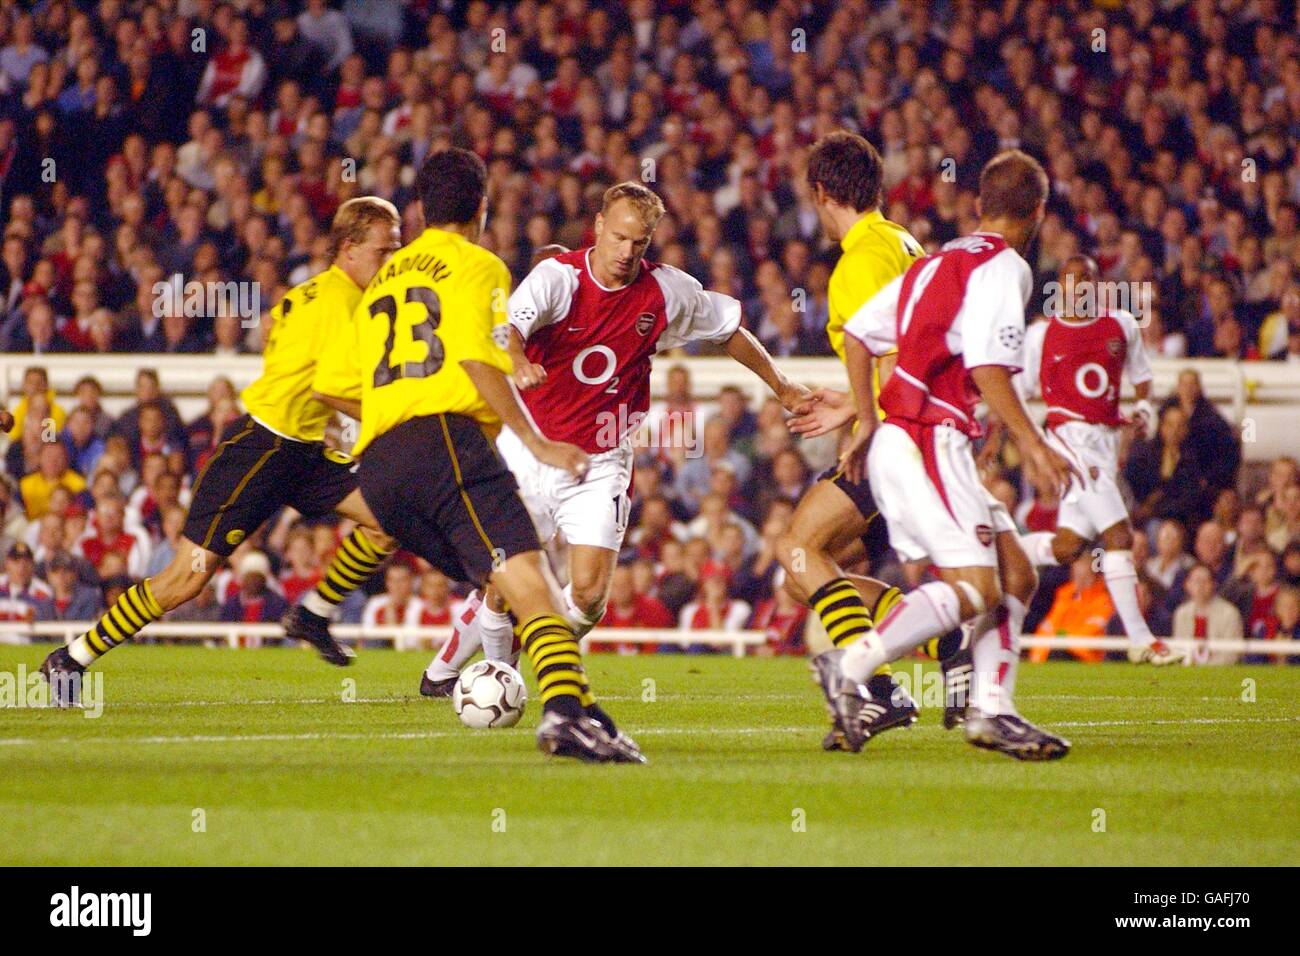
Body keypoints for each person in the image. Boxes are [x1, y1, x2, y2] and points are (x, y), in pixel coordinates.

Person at [314, 149, 642, 762]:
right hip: (446, 443)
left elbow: (334, 381)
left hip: (382, 469)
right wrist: (537, 441)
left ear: (418, 210)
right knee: (537, 589)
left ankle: (576, 707)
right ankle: (566, 717)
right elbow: (477, 360)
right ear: (482, 208)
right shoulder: (478, 265)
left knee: (505, 585)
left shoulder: (384, 276)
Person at [420, 180, 805, 699]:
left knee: (589, 596)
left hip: (601, 460)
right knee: (502, 581)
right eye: (620, 237)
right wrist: (516, 361)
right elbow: (511, 327)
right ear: (598, 227)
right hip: (529, 447)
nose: (627, 252)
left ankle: (501, 668)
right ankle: (468, 676)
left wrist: (781, 386)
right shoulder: (558, 278)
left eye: (639, 243)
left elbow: (729, 327)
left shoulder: (666, 292)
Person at [39, 197, 405, 705]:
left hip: (300, 448)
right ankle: (70, 658)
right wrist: (399, 418)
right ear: (348, 247)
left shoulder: (312, 293)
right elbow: (329, 389)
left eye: (397, 251)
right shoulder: (342, 303)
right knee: (184, 581)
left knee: (388, 519)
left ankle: (313, 613)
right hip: (262, 449)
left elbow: (285, 347)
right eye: (383, 252)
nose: (390, 262)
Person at [835, 149, 1075, 760]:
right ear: (1039, 212)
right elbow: (989, 366)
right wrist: (1034, 442)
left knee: (1015, 573)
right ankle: (849, 669)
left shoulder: (936, 260)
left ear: (977, 206)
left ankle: (992, 711)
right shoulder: (1005, 267)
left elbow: (860, 335)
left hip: (910, 439)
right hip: (926, 439)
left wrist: (866, 418)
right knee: (974, 586)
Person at [770, 130, 933, 751]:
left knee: (795, 547)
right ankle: (926, 646)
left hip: (898, 433)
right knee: (803, 571)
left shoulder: (859, 262)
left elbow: (891, 361)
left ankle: (881, 687)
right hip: (917, 425)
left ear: (821, 192)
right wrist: (850, 402)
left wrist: (863, 422)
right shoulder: (902, 242)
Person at [1015, 255, 1178, 664]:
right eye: (1071, 282)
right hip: (1070, 447)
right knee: (1120, 536)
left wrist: (1144, 409)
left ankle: (1001, 550)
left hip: (1105, 447)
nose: (1079, 289)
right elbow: (1018, 390)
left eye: (1087, 281)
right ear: (1061, 288)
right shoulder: (1041, 334)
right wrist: (1032, 445)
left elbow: (1142, 377)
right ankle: (1141, 640)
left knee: (1067, 548)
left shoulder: (1120, 324)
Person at [1172, 564, 1243, 665]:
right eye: (1196, 581)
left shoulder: (1229, 613)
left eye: (1205, 581)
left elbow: (1231, 653)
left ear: (1214, 584)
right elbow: (1179, 648)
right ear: (1187, 585)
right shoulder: (1181, 613)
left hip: (1221, 672)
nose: (1200, 586)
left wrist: (1206, 668)